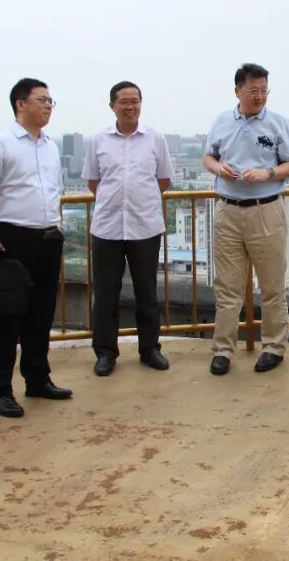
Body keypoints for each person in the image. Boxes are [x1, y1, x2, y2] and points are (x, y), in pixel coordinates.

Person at [0, 78, 73, 418]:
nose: (48, 105)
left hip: (48, 239)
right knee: (6, 317)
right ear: (21, 104)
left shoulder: (50, 145)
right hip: (12, 238)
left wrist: (58, 225)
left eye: (50, 100)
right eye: (42, 99)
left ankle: (37, 378)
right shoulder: (0, 143)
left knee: (41, 314)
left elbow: (54, 190)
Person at [203, 63, 289, 376]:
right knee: (227, 287)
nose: (259, 96)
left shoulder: (278, 122)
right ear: (237, 91)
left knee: (272, 285)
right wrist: (219, 169)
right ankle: (222, 350)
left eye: (264, 91)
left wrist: (267, 173)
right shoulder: (221, 121)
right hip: (228, 210)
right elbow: (208, 156)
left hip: (265, 209)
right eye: (253, 90)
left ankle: (273, 347)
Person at [82, 81, 174, 377]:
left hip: (145, 226)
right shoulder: (98, 140)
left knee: (147, 292)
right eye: (124, 101)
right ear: (112, 106)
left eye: (135, 101)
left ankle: (150, 349)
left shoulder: (155, 138)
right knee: (105, 294)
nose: (130, 106)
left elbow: (164, 179)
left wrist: (140, 201)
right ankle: (105, 353)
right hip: (107, 228)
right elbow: (93, 181)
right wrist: (115, 201)